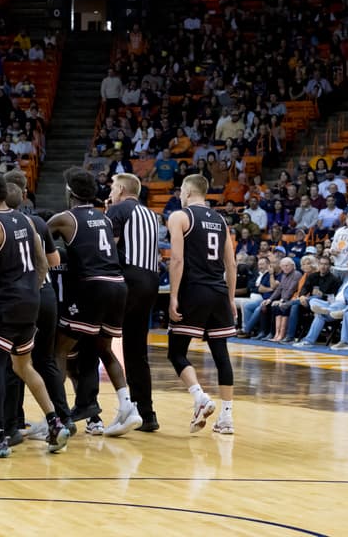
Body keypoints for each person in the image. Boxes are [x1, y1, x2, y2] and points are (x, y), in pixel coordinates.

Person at [0, 172, 69, 457]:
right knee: (24, 366)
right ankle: (55, 423)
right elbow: (42, 264)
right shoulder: (26, 220)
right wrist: (30, 292)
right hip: (31, 302)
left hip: (4, 304)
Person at [48, 168, 143, 439]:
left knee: (59, 350)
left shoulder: (65, 219)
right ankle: (127, 406)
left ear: (70, 192)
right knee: (103, 349)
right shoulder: (104, 219)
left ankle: (59, 416)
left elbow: (39, 238)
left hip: (93, 286)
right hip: (118, 286)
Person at [166, 174, 236, 434]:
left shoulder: (180, 216)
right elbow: (231, 264)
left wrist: (173, 295)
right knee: (221, 355)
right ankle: (227, 418)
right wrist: (230, 298)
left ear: (187, 191)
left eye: (181, 191)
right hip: (218, 291)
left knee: (176, 352)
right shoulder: (220, 220)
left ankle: (200, 398)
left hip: (193, 291)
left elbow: (176, 259)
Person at [106, 173, 161, 431]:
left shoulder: (118, 209)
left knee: (97, 338)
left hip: (127, 279)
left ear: (120, 188)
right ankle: (147, 413)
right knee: (137, 350)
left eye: (112, 188)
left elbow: (107, 247)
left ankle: (92, 412)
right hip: (151, 281)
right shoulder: (151, 214)